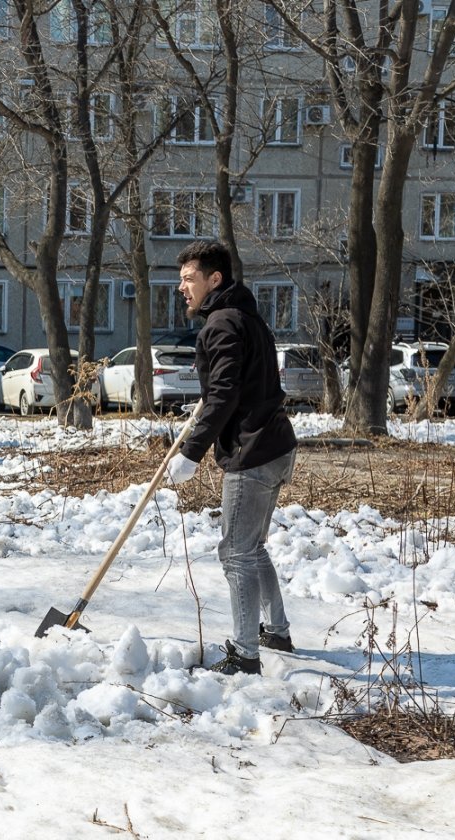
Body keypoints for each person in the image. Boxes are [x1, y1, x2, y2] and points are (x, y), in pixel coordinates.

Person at [168, 240, 298, 676]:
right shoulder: (246, 317)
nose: (182, 288)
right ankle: (276, 631)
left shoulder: (221, 323)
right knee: (252, 548)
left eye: (189, 279)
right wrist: (208, 403)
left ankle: (245, 654)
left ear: (214, 279)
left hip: (253, 450)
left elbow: (225, 394)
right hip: (276, 444)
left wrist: (191, 452)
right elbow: (238, 385)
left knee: (236, 553)